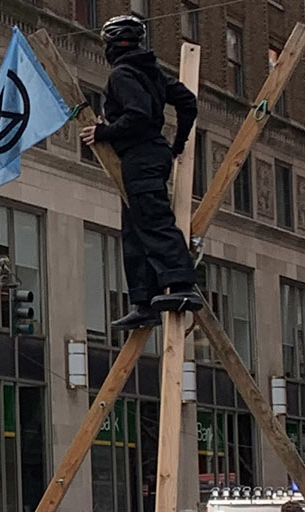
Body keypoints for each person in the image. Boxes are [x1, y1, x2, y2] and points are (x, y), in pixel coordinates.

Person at [83, 14, 202, 331]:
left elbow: (139, 115)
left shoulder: (122, 74)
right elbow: (187, 103)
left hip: (141, 156)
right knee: (135, 230)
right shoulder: (153, 72)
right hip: (147, 156)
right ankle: (144, 301)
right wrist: (177, 143)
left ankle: (182, 287)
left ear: (109, 45)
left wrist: (104, 132)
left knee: (152, 221)